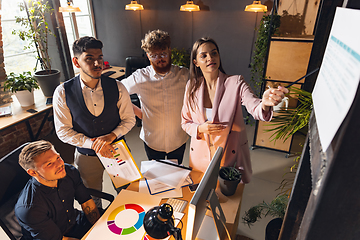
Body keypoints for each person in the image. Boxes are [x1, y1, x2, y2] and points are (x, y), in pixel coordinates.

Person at [181, 37, 289, 183]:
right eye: (203, 55)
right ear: (196, 62)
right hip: (200, 156)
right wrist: (200, 128)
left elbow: (254, 106)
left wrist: (264, 103)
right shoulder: (191, 86)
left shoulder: (235, 82)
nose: (210, 58)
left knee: (227, 197)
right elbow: (185, 122)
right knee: (202, 195)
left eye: (214, 53)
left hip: (228, 152)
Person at [53, 36, 136, 207]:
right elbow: (63, 131)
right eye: (89, 59)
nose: (97, 64)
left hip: (117, 149)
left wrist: (112, 136)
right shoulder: (62, 92)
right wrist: (93, 144)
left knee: (129, 192)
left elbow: (129, 119)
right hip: (86, 155)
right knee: (91, 198)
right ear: (76, 62)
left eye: (100, 58)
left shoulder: (118, 87)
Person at [121, 29, 189, 164]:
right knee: (156, 180)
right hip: (152, 140)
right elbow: (117, 93)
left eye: (163, 53)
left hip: (178, 139)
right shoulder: (140, 77)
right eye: (154, 55)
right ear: (148, 56)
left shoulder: (184, 75)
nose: (160, 59)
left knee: (175, 178)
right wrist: (139, 113)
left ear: (169, 51)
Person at [15, 140, 100, 240]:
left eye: (58, 157)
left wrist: (100, 229)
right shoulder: (29, 208)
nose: (60, 164)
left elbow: (86, 202)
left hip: (75, 222)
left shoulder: (68, 171)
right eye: (49, 164)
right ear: (33, 172)